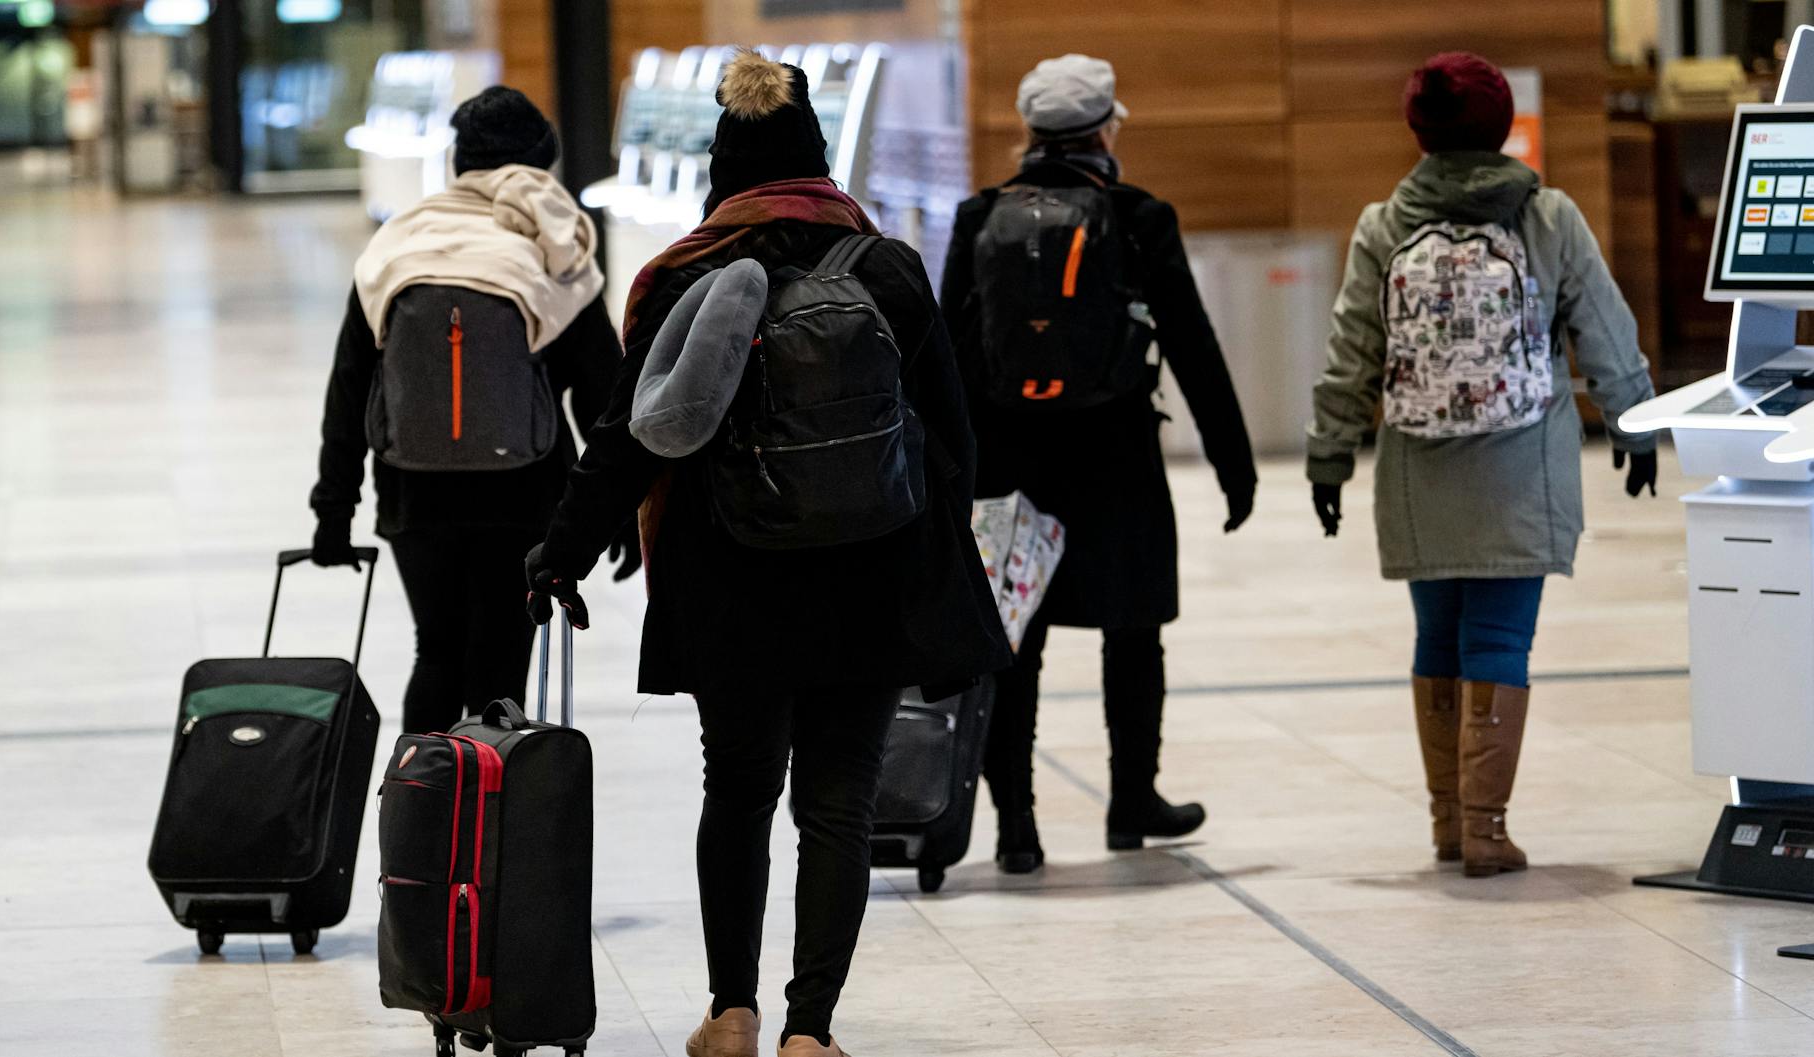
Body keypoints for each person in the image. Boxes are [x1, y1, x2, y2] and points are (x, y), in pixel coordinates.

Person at [522, 51, 1009, 1057]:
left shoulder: (689, 276)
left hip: (731, 580)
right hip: (867, 577)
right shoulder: (884, 267)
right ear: (818, 156)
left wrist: (561, 551)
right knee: (838, 802)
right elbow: (954, 440)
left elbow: (625, 434)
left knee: (737, 791)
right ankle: (811, 1030)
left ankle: (731, 1012)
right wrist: (928, 568)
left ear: (721, 163)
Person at [1306, 52, 1659, 878]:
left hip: (1418, 467)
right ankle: (1489, 830)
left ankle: (1448, 824)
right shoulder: (1550, 216)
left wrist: (1328, 453)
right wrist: (1635, 426)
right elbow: (1605, 329)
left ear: (1418, 129)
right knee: (1499, 638)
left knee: (1438, 635)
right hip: (1519, 465)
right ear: (1502, 126)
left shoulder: (1384, 223)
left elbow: (1353, 348)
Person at [939, 54, 1258, 874]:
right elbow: (1190, 338)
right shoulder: (1140, 214)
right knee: (1133, 627)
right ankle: (1130, 802)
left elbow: (946, 349)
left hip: (1009, 458)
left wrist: (948, 467)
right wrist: (1233, 460)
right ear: (1107, 128)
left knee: (1015, 640)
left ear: (1028, 133)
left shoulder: (980, 215)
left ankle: (1017, 829)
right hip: (1116, 451)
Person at [309, 86, 637, 736]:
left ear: (459, 160)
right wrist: (619, 510)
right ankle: (491, 825)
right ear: (541, 162)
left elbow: (350, 386)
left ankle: (420, 813)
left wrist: (333, 510)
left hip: (413, 490)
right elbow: (603, 395)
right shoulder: (551, 247)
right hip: (521, 492)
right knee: (501, 661)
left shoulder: (398, 244)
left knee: (436, 649)